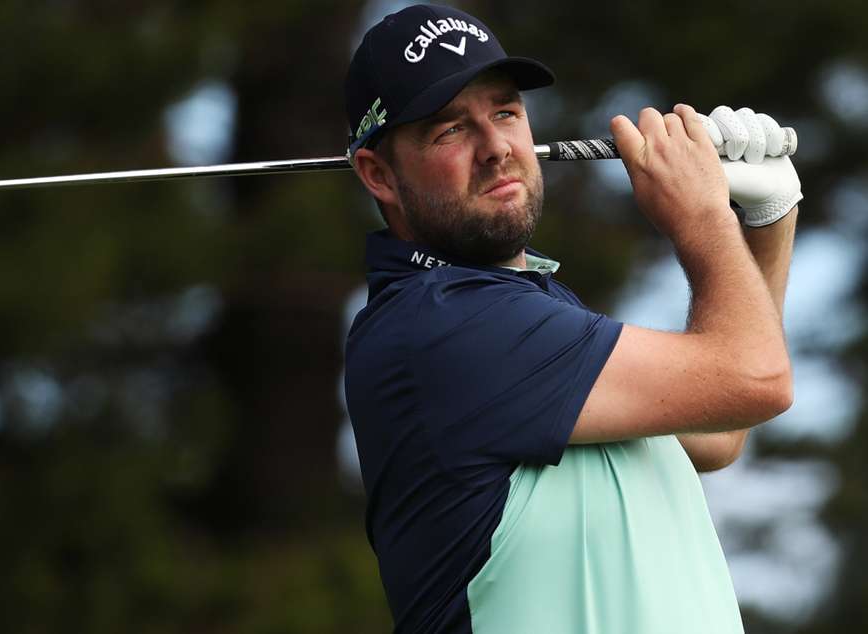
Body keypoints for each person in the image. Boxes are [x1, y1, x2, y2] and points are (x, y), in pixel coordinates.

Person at [342, 4, 801, 633]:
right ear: (379, 174)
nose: (496, 148)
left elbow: (718, 428)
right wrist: (703, 217)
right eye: (450, 130)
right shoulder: (439, 324)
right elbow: (755, 378)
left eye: (505, 112)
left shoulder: (536, 310)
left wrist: (770, 216)